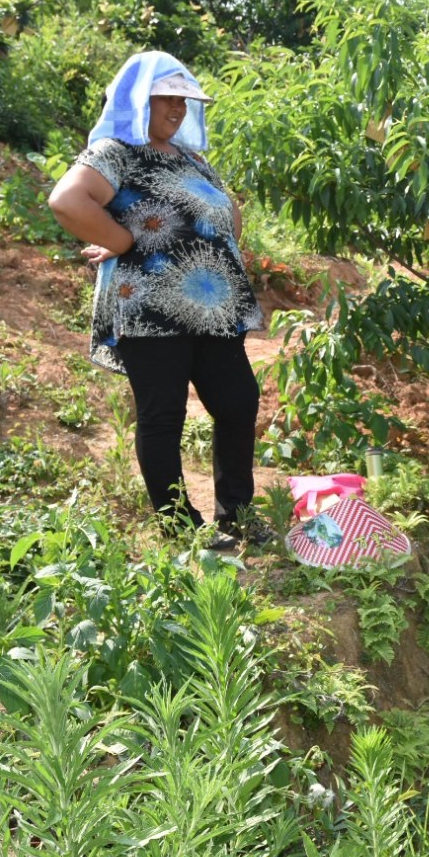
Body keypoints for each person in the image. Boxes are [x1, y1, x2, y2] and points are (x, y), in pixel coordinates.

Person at [48, 51, 267, 549]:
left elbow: (227, 217)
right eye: (166, 98)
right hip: (150, 310)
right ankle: (180, 528)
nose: (177, 108)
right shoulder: (116, 153)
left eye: (183, 101)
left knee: (238, 402)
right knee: (164, 415)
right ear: (136, 99)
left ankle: (236, 515)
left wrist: (204, 244)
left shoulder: (192, 160)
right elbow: (67, 200)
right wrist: (123, 240)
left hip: (212, 308)